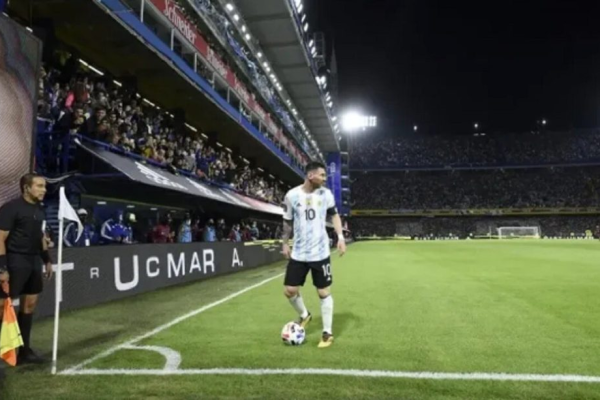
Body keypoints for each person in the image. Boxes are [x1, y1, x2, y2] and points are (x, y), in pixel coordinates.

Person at [281, 161, 346, 348]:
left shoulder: (326, 194)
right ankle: (304, 316)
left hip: (320, 252)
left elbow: (334, 215)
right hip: (299, 253)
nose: (325, 179)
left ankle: (327, 333)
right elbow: (287, 222)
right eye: (322, 175)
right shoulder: (291, 195)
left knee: (323, 291)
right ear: (311, 176)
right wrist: (285, 243)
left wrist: (340, 237)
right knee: (289, 290)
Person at [0, 173, 53, 364]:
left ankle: (24, 350)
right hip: (14, 260)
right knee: (2, 307)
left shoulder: (39, 210)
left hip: (33, 261)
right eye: (39, 186)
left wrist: (47, 259)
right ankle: (3, 351)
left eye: (44, 186)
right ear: (26, 188)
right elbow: (0, 238)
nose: (43, 190)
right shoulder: (10, 208)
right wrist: (2, 268)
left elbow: (40, 236)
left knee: (29, 304)